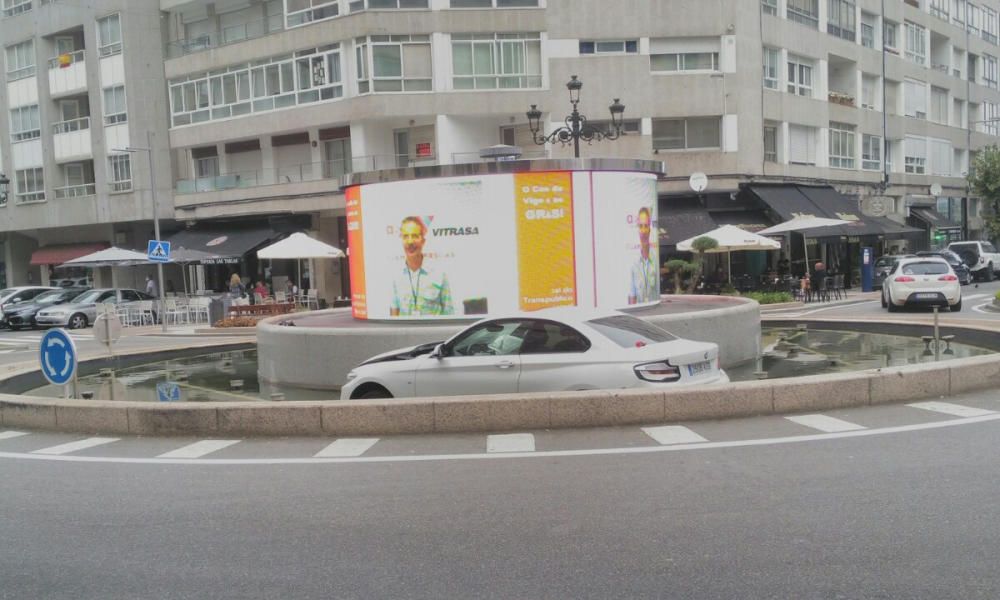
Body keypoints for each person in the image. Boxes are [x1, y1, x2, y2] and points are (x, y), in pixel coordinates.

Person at [390, 216, 454, 316]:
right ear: (401, 240)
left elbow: (449, 312)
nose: (410, 242)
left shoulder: (440, 274)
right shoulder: (396, 276)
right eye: (406, 236)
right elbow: (394, 314)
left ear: (423, 241)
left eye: (415, 236)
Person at [628, 207, 658, 304]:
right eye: (641, 226)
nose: (643, 231)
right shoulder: (633, 263)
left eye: (646, 226)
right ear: (638, 229)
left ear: (650, 228)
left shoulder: (656, 260)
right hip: (640, 312)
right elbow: (632, 295)